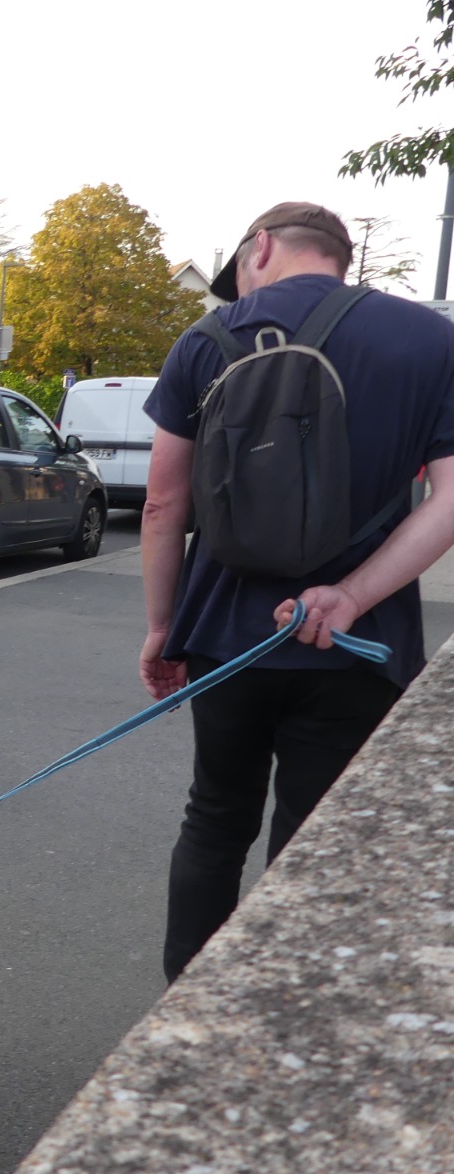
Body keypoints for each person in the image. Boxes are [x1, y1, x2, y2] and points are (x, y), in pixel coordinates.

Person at [140, 201, 454, 982]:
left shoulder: (206, 339)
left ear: (262, 247)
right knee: (314, 840)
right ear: (339, 257)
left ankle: (186, 1002)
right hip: (356, 641)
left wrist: (161, 627)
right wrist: (350, 595)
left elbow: (163, 506)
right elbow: (449, 498)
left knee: (215, 819)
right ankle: (280, 1003)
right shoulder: (430, 340)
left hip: (223, 637)